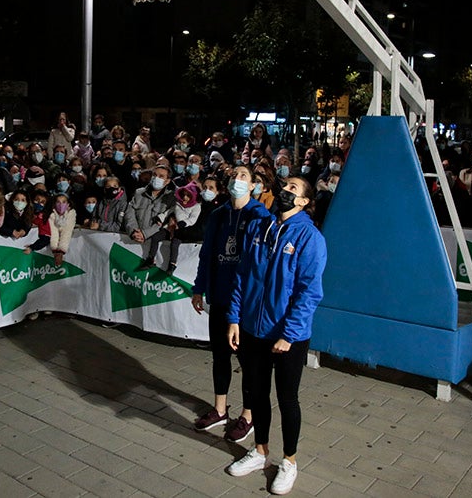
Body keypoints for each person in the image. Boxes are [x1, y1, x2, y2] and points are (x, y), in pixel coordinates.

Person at [226, 177, 326, 494]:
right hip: (253, 329)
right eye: (286, 185)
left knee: (287, 399)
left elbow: (309, 293)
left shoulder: (310, 237)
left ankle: (289, 462)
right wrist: (234, 318)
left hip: (287, 336)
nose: (285, 190)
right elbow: (242, 275)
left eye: (294, 188)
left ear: (304, 202)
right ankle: (260, 452)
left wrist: (290, 334)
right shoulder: (260, 227)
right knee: (256, 393)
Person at [191, 166, 270, 443]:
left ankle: (248, 415)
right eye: (234, 175)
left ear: (254, 186)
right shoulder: (218, 215)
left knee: (248, 361)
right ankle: (220, 410)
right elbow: (206, 255)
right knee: (220, 356)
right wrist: (199, 288)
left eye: (244, 176)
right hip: (220, 297)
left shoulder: (260, 216)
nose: (238, 179)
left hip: (246, 303)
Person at [125, 164, 176, 257]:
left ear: (167, 181)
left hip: (155, 249)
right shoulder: (139, 193)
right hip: (134, 242)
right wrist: (133, 231)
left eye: (161, 176)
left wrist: (145, 234)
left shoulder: (171, 198)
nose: (156, 178)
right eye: (154, 175)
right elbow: (130, 213)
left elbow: (165, 222)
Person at [49, 193, 77, 267]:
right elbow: (53, 232)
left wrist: (61, 251)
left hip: (64, 244)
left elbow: (67, 232)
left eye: (64, 202)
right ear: (54, 204)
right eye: (58, 202)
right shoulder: (51, 214)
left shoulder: (71, 214)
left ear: (68, 204)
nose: (61, 204)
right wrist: (54, 250)